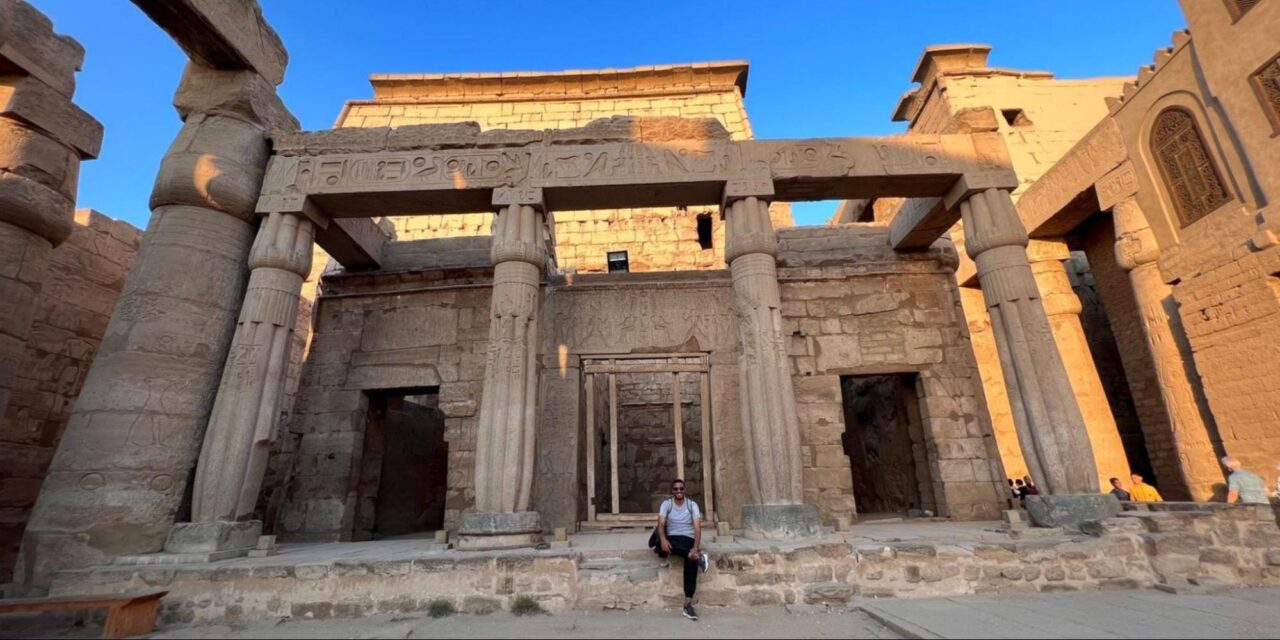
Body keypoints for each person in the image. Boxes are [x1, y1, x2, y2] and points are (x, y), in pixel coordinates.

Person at [654, 479, 709, 621]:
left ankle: (688, 604)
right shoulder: (667, 504)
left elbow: (697, 528)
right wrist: (664, 539)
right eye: (676, 489)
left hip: (687, 537)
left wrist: (695, 547)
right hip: (672, 538)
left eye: (681, 489)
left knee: (691, 561)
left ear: (685, 490)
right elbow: (660, 524)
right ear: (672, 491)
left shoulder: (692, 505)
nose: (679, 491)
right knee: (661, 546)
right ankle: (698, 557)